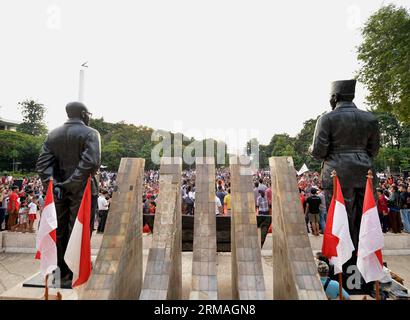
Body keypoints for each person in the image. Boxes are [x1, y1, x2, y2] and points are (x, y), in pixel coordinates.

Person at [36, 101, 101, 288]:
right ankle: (75, 269)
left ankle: (59, 270)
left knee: (59, 228)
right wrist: (72, 183)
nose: (89, 116)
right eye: (88, 113)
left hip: (57, 190)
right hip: (83, 189)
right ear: (82, 113)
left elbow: (43, 164)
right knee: (79, 228)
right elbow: (91, 162)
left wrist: (54, 183)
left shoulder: (53, 134)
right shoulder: (91, 133)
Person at [311, 79, 380, 249]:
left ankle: (344, 258)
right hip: (365, 172)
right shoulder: (370, 118)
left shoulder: (327, 119)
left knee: (340, 218)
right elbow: (374, 150)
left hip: (337, 173)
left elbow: (319, 152)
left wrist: (310, 148)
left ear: (335, 97)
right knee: (365, 217)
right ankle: (362, 256)